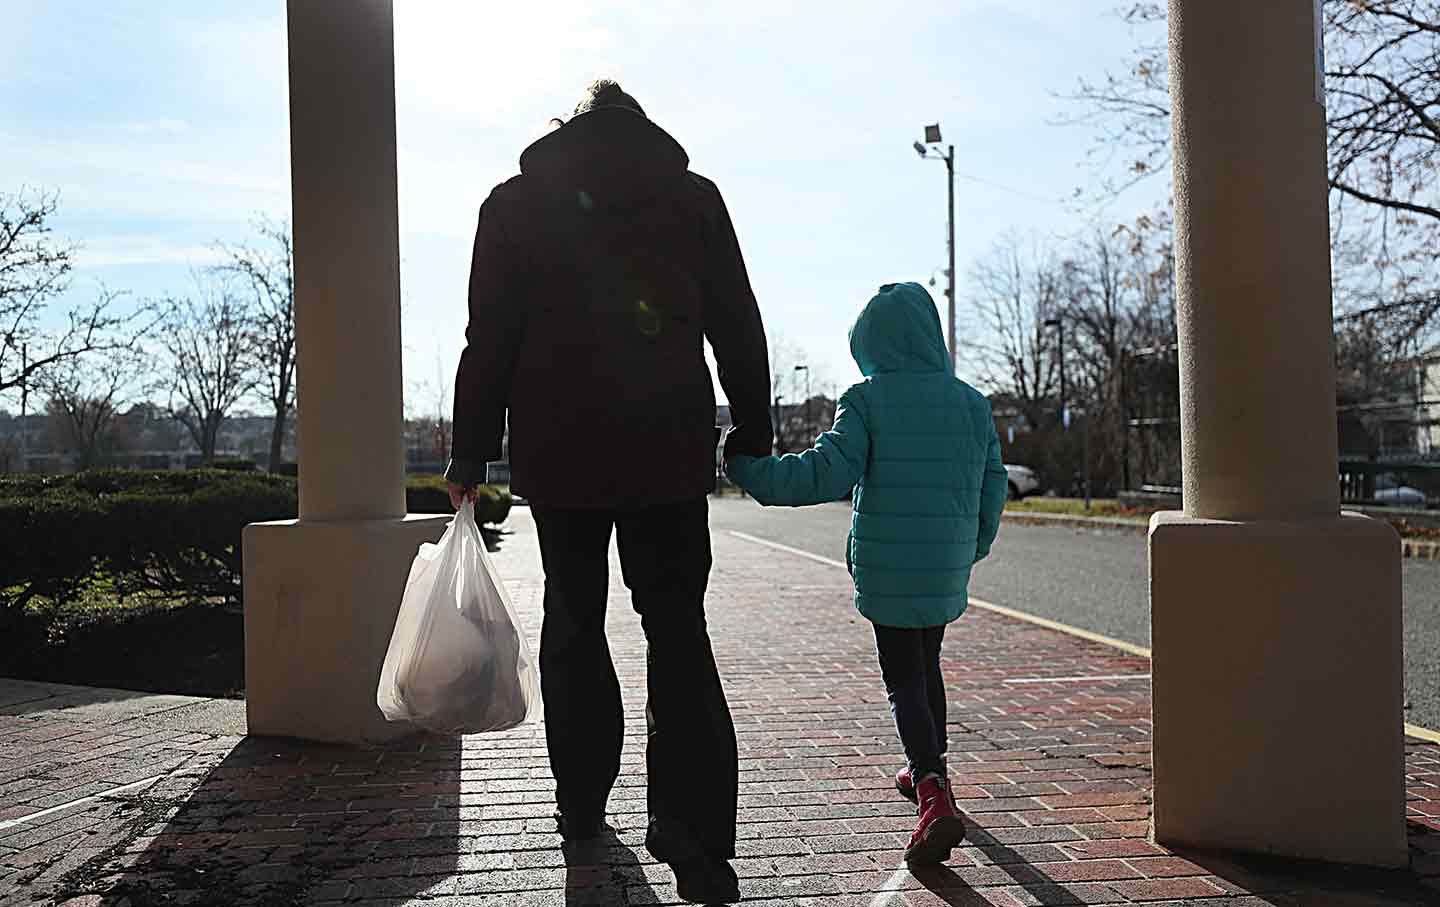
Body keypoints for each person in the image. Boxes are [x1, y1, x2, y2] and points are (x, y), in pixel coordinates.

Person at [445, 79, 772, 904]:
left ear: (568, 128)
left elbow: (489, 336)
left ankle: (581, 803)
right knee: (675, 623)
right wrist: (753, 428)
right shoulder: (692, 199)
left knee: (575, 614)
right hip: (666, 445)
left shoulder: (513, 206)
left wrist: (470, 452)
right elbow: (737, 317)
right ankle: (694, 832)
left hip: (561, 452)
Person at [726, 282, 1007, 865]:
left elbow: (824, 472)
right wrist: (973, 545)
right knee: (928, 663)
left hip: (887, 567)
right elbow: (993, 484)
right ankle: (930, 767)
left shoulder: (867, 399)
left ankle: (932, 792)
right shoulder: (972, 403)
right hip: (946, 563)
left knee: (902, 675)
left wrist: (751, 472)